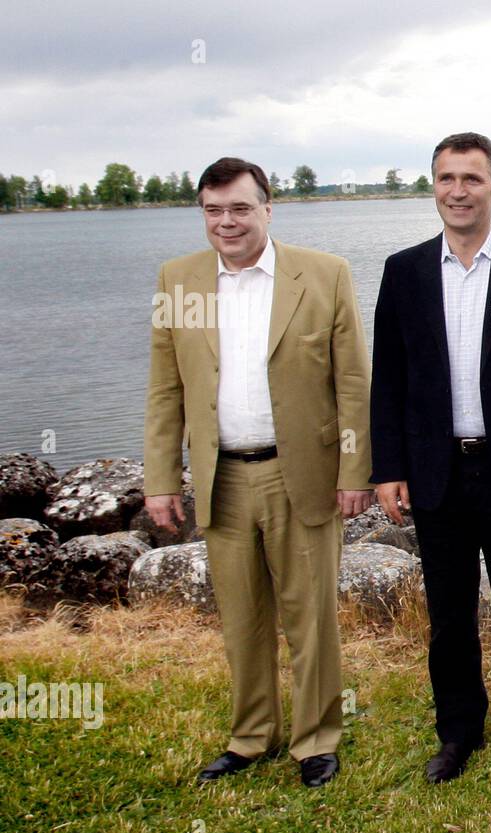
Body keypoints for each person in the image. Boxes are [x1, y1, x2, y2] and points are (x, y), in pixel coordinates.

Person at [144, 156, 373, 788]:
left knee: (310, 617)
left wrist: (355, 468)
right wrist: (161, 480)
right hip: (222, 479)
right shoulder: (179, 280)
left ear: (268, 209)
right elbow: (165, 390)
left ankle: (316, 740)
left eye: (240, 208)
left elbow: (353, 382)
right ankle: (251, 737)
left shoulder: (323, 275)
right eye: (214, 211)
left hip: (302, 473)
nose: (227, 222)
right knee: (241, 616)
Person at [370, 133, 491, 783]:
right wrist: (389, 467)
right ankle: (458, 732)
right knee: (449, 614)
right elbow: (388, 379)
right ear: (434, 186)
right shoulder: (404, 272)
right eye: (448, 178)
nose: (459, 190)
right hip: (436, 472)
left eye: (473, 179)